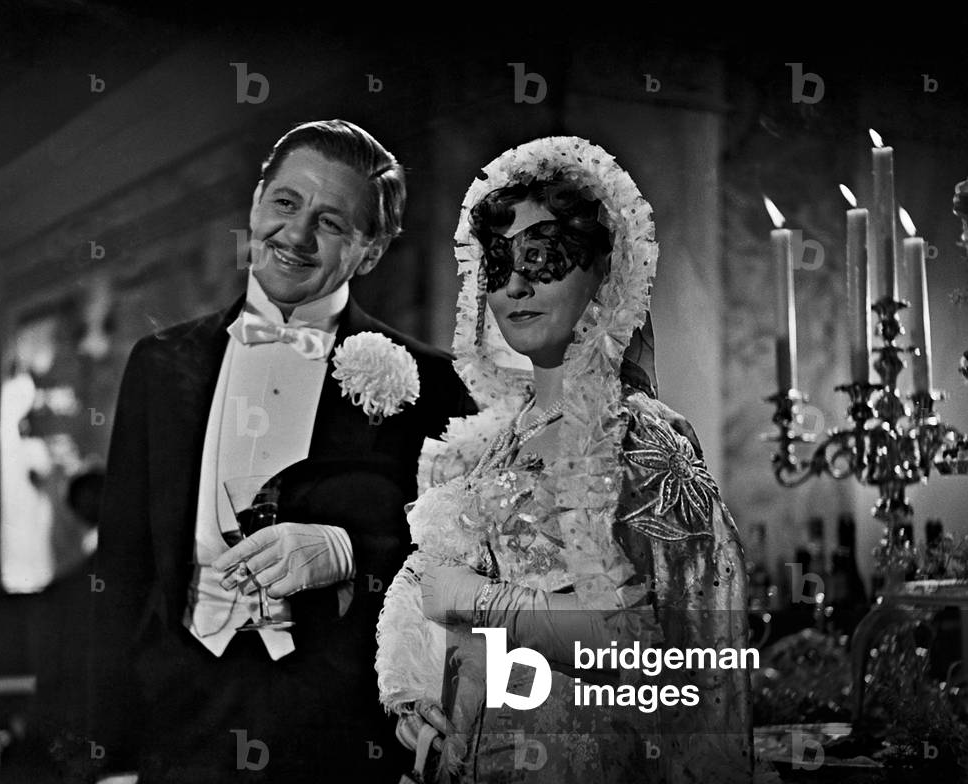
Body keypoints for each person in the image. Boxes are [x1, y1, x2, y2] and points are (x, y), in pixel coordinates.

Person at [89, 120, 477, 783]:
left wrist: (351, 553)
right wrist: (101, 750)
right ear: (255, 204)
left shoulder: (435, 384)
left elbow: (470, 564)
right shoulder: (158, 363)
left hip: (342, 732)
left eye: (330, 222)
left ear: (372, 251)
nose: (294, 235)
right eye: (285, 203)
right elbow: (120, 569)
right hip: (179, 722)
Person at [376, 137, 758, 782]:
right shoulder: (491, 443)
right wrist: (413, 692)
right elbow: (429, 590)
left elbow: (678, 658)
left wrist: (487, 603)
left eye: (544, 256)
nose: (517, 285)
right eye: (498, 264)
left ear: (606, 273)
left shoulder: (643, 445)